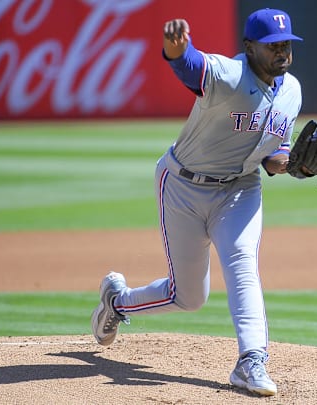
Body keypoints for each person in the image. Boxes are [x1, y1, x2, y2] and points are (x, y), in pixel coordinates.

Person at [90, 8, 304, 397]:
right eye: (272, 45)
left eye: (286, 44)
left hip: (240, 188)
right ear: (249, 47)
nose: (281, 52)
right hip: (183, 187)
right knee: (188, 297)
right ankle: (118, 303)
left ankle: (251, 360)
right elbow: (191, 67)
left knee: (241, 261)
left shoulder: (292, 91)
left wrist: (298, 167)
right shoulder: (227, 74)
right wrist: (175, 51)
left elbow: (275, 157)